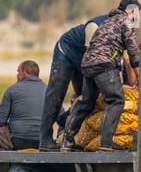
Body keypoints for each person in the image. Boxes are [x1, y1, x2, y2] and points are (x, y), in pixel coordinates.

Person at [62, 0, 141, 152]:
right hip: (103, 65)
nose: (138, 16)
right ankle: (106, 144)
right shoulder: (126, 21)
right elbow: (133, 52)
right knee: (116, 101)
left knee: (87, 103)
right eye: (138, 12)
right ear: (132, 10)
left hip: (87, 64)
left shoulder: (108, 21)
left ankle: (68, 140)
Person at [38, 10, 109, 150]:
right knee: (56, 93)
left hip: (84, 59)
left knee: (86, 98)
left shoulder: (120, 31)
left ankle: (69, 130)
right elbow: (91, 59)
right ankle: (44, 139)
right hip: (66, 51)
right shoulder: (94, 26)